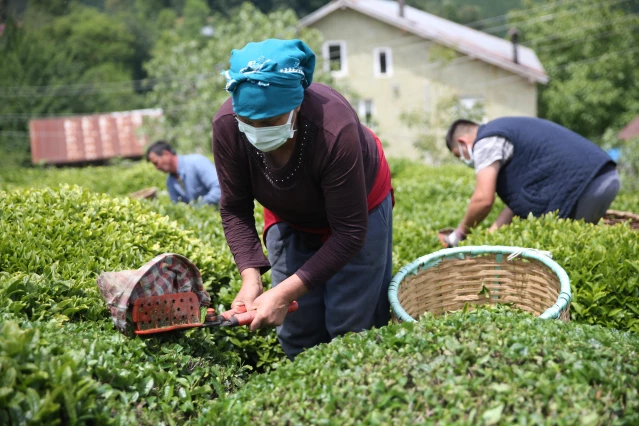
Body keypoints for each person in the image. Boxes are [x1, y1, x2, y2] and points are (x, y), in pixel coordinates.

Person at [212, 39, 394, 360]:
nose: (257, 131)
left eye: (269, 121)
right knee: (297, 330)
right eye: (248, 121)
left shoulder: (334, 129)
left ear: (296, 105)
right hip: (288, 210)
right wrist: (251, 279)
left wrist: (283, 293)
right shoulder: (228, 126)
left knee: (351, 324)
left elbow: (349, 232)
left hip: (359, 207)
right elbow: (235, 206)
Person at [440, 117, 620, 247]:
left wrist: (458, 235)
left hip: (584, 185)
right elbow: (516, 205)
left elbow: (483, 200)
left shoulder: (486, 141)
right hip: (602, 175)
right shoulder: (506, 130)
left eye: (458, 155)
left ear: (462, 142)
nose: (464, 160)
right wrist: (489, 239)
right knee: (576, 245)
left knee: (565, 253)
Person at [145, 140, 221, 206]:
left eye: (156, 163)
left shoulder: (196, 162)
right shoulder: (170, 182)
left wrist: (198, 206)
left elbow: (219, 188)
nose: (157, 168)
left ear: (166, 154)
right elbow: (178, 208)